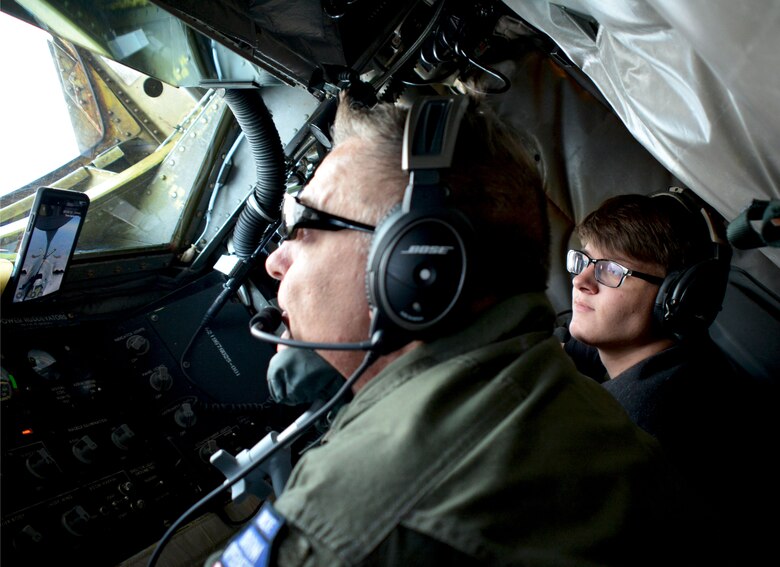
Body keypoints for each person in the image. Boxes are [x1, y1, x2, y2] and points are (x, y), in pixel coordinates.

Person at [212, 93, 685, 566]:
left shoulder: (350, 518)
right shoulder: (568, 399)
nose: (274, 262)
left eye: (303, 226)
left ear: (416, 263)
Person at [560, 191, 778, 563]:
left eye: (611, 269)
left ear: (680, 297)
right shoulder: (685, 367)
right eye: (584, 259)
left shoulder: (641, 429)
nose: (582, 280)